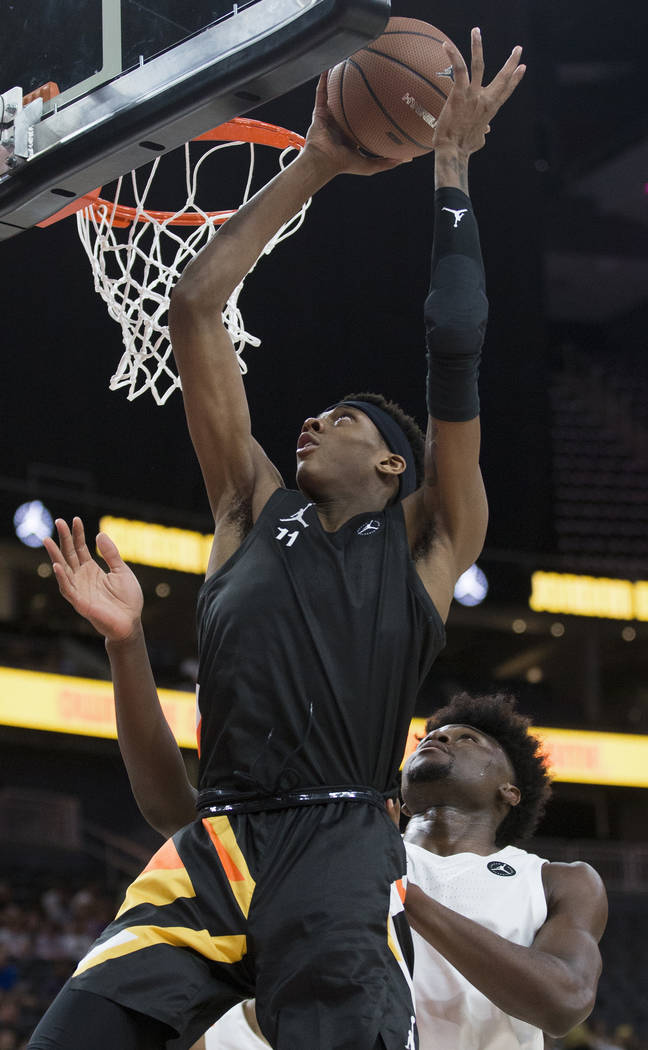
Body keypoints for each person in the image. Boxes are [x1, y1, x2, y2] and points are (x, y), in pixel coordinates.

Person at [31, 29, 525, 1050]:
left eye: (344, 420)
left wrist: (450, 173)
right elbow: (196, 305)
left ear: (395, 467)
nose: (313, 420)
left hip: (342, 851)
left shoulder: (431, 544)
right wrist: (320, 161)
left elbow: (457, 349)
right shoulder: (248, 509)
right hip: (215, 848)